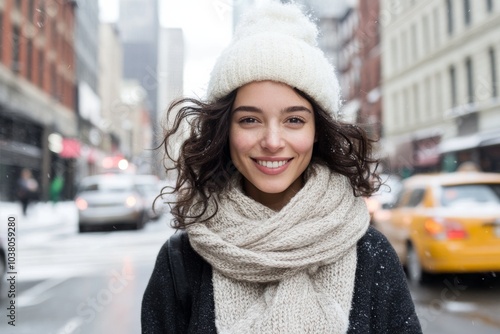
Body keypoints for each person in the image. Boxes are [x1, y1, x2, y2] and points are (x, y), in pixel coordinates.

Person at [142, 2, 422, 333]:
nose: (273, 141)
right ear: (225, 132)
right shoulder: (182, 262)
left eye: (293, 120)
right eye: (249, 120)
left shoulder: (371, 255)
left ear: (317, 131)